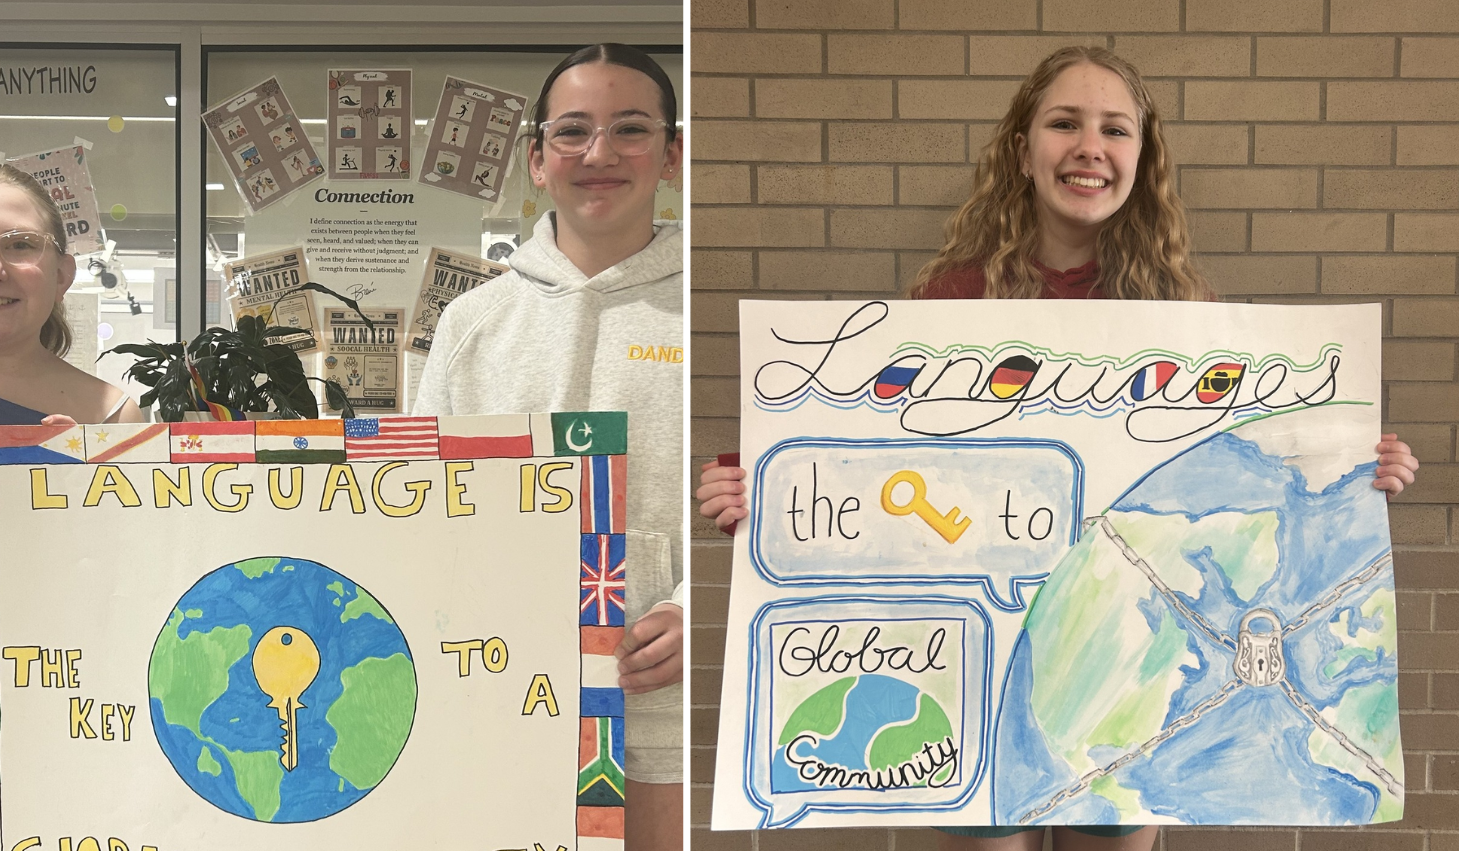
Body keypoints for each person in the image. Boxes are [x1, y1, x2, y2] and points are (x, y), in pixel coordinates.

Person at [694, 46, 1423, 851]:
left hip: (1136, 653)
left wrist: (1357, 470)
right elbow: (873, 466)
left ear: (1142, 159)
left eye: (1115, 129)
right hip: (987, 656)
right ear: (1023, 146)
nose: (1089, 148)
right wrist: (761, 496)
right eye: (1064, 124)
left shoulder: (1191, 323)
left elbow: (1260, 476)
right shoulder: (950, 305)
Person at [412, 43, 685, 851]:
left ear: (673, 154)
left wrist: (694, 607)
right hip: (502, 689)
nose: (599, 153)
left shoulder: (704, 306)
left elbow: (755, 492)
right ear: (536, 160)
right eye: (572, 132)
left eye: (630, 129)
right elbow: (424, 498)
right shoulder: (471, 323)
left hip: (660, 689)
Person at [0, 163, 146, 846]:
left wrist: (76, 517)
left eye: (19, 245)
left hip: (49, 712)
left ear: (63, 273)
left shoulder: (113, 414)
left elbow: (132, 589)